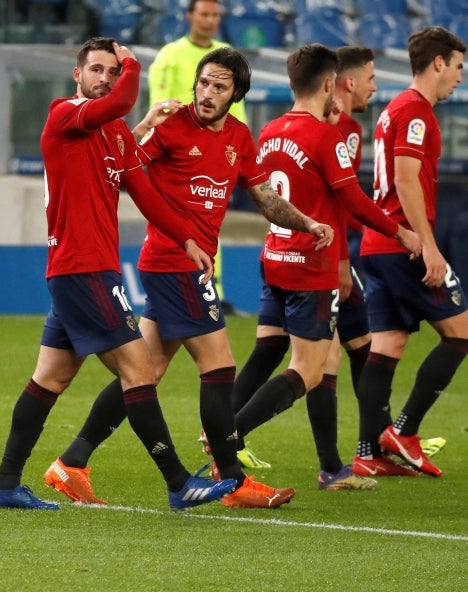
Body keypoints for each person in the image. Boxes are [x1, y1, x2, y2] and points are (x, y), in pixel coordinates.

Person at [41, 47, 336, 509]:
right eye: (203, 82)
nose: (207, 93)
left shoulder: (239, 136)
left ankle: (72, 461)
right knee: (218, 366)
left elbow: (264, 197)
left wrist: (307, 223)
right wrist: (144, 127)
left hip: (194, 264)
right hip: (170, 261)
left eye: (219, 86)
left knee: (147, 372)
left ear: (236, 94)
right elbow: (117, 165)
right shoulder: (173, 127)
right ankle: (233, 480)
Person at [0, 37, 237, 512]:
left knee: (50, 380)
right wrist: (132, 64)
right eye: (96, 70)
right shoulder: (63, 113)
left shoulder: (119, 133)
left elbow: (146, 194)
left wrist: (188, 240)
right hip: (83, 269)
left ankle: (5, 485)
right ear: (77, 76)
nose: (104, 78)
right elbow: (120, 99)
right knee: (140, 370)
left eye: (111, 70)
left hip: (87, 270)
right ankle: (179, 483)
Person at [229, 44, 421, 488]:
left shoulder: (272, 130)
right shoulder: (323, 136)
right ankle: (228, 436)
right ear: (330, 83)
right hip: (310, 267)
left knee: (320, 356)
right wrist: (399, 231)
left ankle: (332, 468)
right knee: (310, 369)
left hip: (275, 257)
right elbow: (352, 199)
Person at [352, 26, 468, 478]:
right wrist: (430, 246)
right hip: (404, 242)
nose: (459, 77)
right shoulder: (416, 112)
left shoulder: (392, 110)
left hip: (378, 245)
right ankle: (404, 430)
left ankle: (367, 452)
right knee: (460, 333)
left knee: (389, 343)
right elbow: (404, 179)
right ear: (438, 62)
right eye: (458, 67)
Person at [148, 0, 246, 314]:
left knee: (210, 219)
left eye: (215, 14)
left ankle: (211, 286)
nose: (210, 20)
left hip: (219, 153)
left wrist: (237, 154)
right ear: (190, 16)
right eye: (204, 13)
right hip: (179, 153)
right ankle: (196, 285)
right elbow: (160, 104)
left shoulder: (226, 55)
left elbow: (236, 113)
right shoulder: (170, 55)